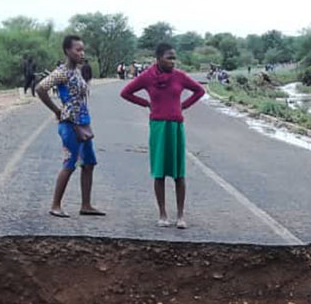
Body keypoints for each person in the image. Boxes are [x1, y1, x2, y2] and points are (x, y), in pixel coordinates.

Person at [121, 43, 206, 229]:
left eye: (174, 57)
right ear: (158, 58)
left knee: (179, 173)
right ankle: (162, 214)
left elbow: (200, 91)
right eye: (169, 57)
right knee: (159, 172)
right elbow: (125, 93)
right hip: (158, 126)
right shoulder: (147, 77)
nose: (173, 61)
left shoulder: (180, 77)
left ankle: (181, 215)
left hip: (176, 126)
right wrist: (146, 103)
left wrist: (184, 105)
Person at [37, 34, 105, 219]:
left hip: (83, 123)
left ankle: (86, 205)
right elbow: (41, 88)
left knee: (89, 163)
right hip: (70, 124)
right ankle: (55, 205)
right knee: (69, 164)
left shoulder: (77, 71)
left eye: (82, 49)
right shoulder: (62, 72)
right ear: (67, 51)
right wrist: (56, 110)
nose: (81, 53)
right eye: (77, 49)